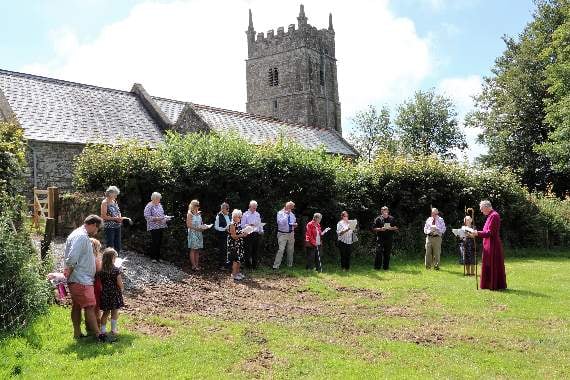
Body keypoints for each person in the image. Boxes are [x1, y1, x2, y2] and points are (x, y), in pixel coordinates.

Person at [64, 214, 114, 342]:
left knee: (76, 305)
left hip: (79, 278)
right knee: (90, 306)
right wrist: (68, 273)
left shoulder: (78, 234)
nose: (96, 232)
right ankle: (99, 336)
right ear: (92, 225)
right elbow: (72, 257)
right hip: (81, 279)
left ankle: (77, 333)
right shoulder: (81, 236)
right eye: (97, 228)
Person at [468, 200, 507, 290]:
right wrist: (474, 233)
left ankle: (494, 284)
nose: (481, 211)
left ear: (486, 207)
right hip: (488, 244)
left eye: (482, 209)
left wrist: (477, 233)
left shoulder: (494, 216)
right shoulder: (490, 216)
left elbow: (490, 232)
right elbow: (486, 231)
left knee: (492, 264)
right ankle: (488, 284)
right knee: (487, 264)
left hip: (493, 244)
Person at [97, 248, 124, 336]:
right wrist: (122, 288)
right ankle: (113, 329)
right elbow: (119, 282)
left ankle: (103, 330)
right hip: (114, 294)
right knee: (115, 311)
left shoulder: (101, 270)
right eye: (115, 257)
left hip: (105, 294)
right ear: (112, 258)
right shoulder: (116, 270)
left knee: (105, 312)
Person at [143, 192, 169, 263]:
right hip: (153, 226)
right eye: (158, 199)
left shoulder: (160, 205)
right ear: (154, 198)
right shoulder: (149, 205)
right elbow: (147, 216)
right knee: (155, 241)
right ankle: (153, 257)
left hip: (161, 225)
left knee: (160, 242)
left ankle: (158, 257)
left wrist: (165, 218)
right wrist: (157, 218)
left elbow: (162, 214)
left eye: (159, 199)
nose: (159, 200)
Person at [273, 201, 297, 270]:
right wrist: (286, 215)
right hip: (282, 233)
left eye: (292, 208)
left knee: (290, 250)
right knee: (281, 249)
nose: (291, 209)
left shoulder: (292, 214)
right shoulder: (280, 213)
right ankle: (276, 266)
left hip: (291, 233)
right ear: (287, 206)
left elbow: (293, 222)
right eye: (291, 207)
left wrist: (295, 225)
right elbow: (280, 223)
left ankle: (290, 265)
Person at [241, 200, 264, 270]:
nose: (255, 209)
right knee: (248, 251)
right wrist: (249, 225)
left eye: (256, 207)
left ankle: (255, 266)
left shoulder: (257, 214)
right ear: (250, 206)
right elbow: (242, 225)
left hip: (256, 234)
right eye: (253, 207)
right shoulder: (245, 214)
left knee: (256, 250)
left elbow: (260, 224)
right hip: (248, 234)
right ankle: (248, 266)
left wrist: (261, 231)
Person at [100, 186, 123, 254]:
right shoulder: (105, 202)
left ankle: (116, 259)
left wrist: (120, 217)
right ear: (110, 194)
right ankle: (108, 261)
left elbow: (118, 211)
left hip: (117, 225)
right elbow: (103, 216)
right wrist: (115, 218)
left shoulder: (114, 201)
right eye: (115, 194)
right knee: (110, 244)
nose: (116, 196)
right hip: (109, 226)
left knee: (118, 244)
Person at [227, 209, 247, 281]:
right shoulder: (232, 224)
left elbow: (238, 233)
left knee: (239, 259)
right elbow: (233, 236)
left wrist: (245, 232)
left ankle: (238, 273)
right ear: (235, 216)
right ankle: (234, 274)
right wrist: (242, 235)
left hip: (239, 244)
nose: (240, 218)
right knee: (235, 259)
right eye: (239, 217)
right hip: (234, 244)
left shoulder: (237, 224)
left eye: (241, 217)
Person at [186, 199, 204, 271]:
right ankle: (193, 266)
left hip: (199, 233)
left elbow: (201, 223)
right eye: (196, 205)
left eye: (198, 205)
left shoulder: (199, 213)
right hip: (193, 233)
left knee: (198, 249)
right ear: (192, 206)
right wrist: (197, 229)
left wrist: (203, 227)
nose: (198, 207)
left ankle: (197, 265)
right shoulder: (189, 214)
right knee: (193, 249)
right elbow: (188, 225)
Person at [91, 238, 103, 331]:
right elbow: (99, 271)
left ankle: (89, 326)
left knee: (90, 306)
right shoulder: (96, 259)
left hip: (89, 282)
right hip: (96, 283)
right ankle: (97, 327)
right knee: (96, 306)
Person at [214, 202, 231, 270]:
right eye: (221, 208)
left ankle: (229, 265)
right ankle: (221, 265)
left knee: (229, 250)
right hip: (222, 235)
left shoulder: (230, 215)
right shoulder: (219, 216)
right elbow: (216, 227)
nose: (222, 210)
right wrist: (224, 229)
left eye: (224, 208)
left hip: (230, 235)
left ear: (227, 209)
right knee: (223, 250)